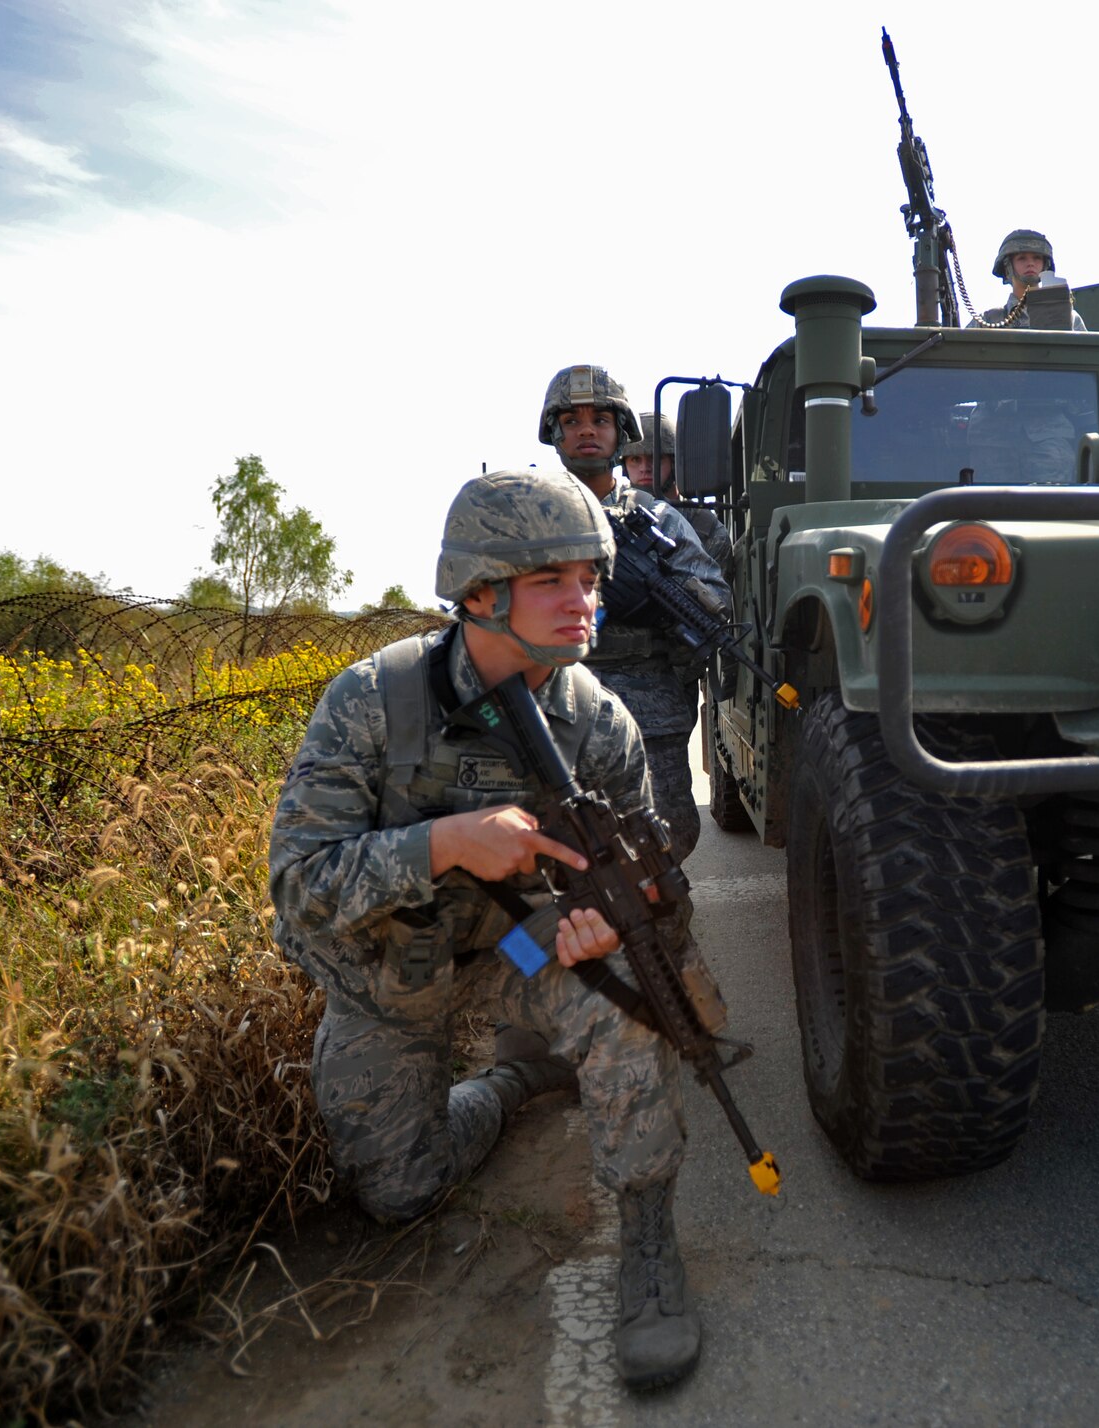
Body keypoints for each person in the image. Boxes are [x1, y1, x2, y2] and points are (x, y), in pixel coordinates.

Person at [269, 470, 703, 1389]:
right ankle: (509, 1084)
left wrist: (605, 930)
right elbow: (298, 889)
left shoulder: (599, 724)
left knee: (624, 998)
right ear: (479, 592)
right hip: (386, 976)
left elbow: (644, 886)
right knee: (401, 1193)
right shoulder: (373, 701)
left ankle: (651, 1245)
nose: (583, 601)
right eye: (553, 580)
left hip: (511, 952)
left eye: (591, 579)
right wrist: (445, 844)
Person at [539, 366, 732, 862]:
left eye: (600, 419)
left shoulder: (658, 519)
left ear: (618, 432)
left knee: (666, 838)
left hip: (649, 710)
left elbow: (713, 603)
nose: (586, 430)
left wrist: (653, 592)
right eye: (572, 420)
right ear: (554, 433)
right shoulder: (529, 515)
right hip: (549, 709)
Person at [622, 410, 736, 584]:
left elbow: (716, 598)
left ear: (675, 463)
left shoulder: (706, 528)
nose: (644, 468)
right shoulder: (612, 517)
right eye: (635, 459)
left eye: (655, 458)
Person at [968, 228, 1089, 332]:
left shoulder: (1069, 319)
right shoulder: (988, 321)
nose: (1030, 263)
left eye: (1036, 258)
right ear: (1008, 266)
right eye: (1022, 258)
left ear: (1045, 265)